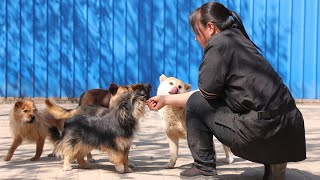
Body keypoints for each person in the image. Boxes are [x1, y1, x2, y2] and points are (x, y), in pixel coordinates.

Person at [146, 2, 306, 180]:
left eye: (196, 33)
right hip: (290, 131)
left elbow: (203, 96)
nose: (195, 38)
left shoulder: (218, 45)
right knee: (252, 105)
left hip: (261, 134)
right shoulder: (239, 39)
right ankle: (275, 162)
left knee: (197, 103)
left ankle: (203, 168)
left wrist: (165, 100)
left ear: (210, 28)